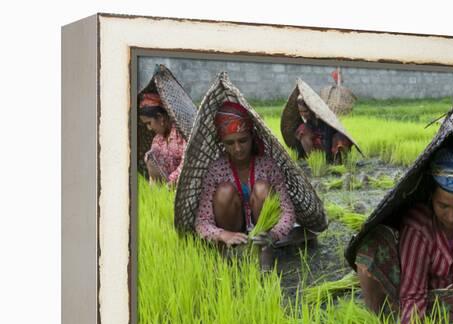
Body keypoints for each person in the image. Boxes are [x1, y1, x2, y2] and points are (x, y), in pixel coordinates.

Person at [355, 145, 453, 324]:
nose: (451, 217)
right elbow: (413, 292)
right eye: (443, 206)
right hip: (427, 295)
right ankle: (391, 322)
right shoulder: (419, 224)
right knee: (370, 252)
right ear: (431, 197)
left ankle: (424, 323)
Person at [195, 101, 296, 248]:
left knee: (262, 188)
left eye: (243, 140)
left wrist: (273, 235)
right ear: (222, 143)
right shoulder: (216, 170)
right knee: (224, 191)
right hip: (233, 230)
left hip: (265, 232)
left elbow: (288, 211)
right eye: (230, 143)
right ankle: (232, 249)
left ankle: (264, 248)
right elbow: (202, 221)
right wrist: (223, 235)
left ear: (252, 137)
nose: (237, 148)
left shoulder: (267, 166)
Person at [139, 92, 187, 187]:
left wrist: (170, 182)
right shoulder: (157, 140)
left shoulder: (181, 134)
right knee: (150, 157)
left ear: (160, 117)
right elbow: (154, 173)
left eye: (149, 123)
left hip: (182, 185)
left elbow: (186, 164)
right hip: (164, 189)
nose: (149, 128)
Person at [295, 95, 352, 164]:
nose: (303, 114)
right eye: (300, 112)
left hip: (332, 145)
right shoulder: (309, 123)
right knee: (302, 129)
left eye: (305, 111)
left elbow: (328, 139)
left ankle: (338, 162)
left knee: (339, 140)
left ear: (312, 109)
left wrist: (327, 161)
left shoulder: (325, 120)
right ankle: (314, 160)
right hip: (320, 148)